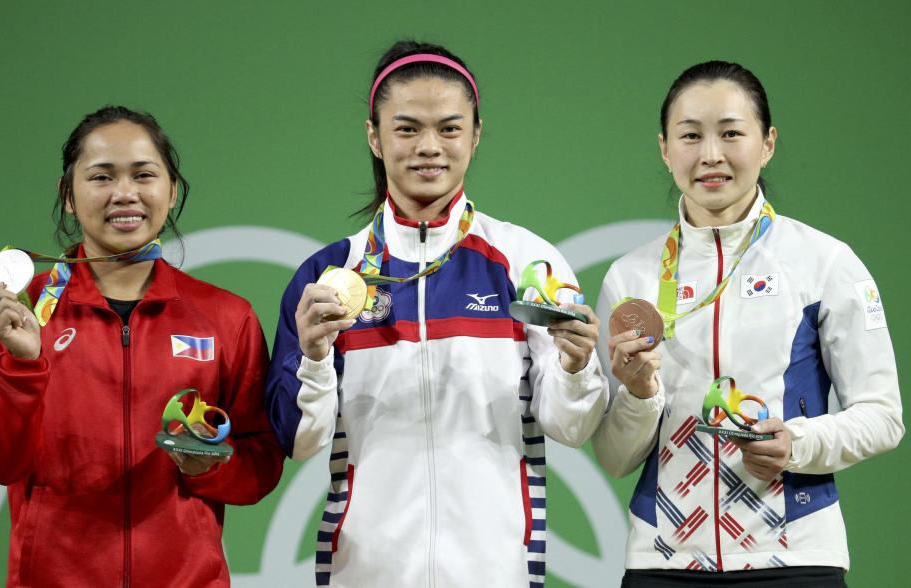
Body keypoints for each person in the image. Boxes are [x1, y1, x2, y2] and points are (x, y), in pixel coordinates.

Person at [266, 40, 608, 587]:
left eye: (449, 128)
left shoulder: (526, 262)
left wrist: (576, 368)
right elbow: (302, 442)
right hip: (364, 573)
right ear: (374, 137)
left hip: (496, 573)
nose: (429, 147)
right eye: (406, 129)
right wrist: (312, 358)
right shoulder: (329, 276)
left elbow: (571, 426)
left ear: (475, 135)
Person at [592, 61, 904, 587]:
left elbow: (883, 416)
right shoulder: (632, 278)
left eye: (731, 133)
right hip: (663, 563)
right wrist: (641, 395)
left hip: (795, 558)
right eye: (690, 136)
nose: (710, 154)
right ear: (666, 149)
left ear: (768, 143)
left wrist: (797, 443)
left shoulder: (825, 263)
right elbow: (616, 458)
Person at [0, 106, 284, 587]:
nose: (124, 193)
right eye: (101, 176)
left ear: (171, 190)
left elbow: (260, 466)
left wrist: (208, 468)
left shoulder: (225, 317)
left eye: (144, 175)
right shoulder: (19, 313)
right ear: (68, 196)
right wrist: (23, 364)